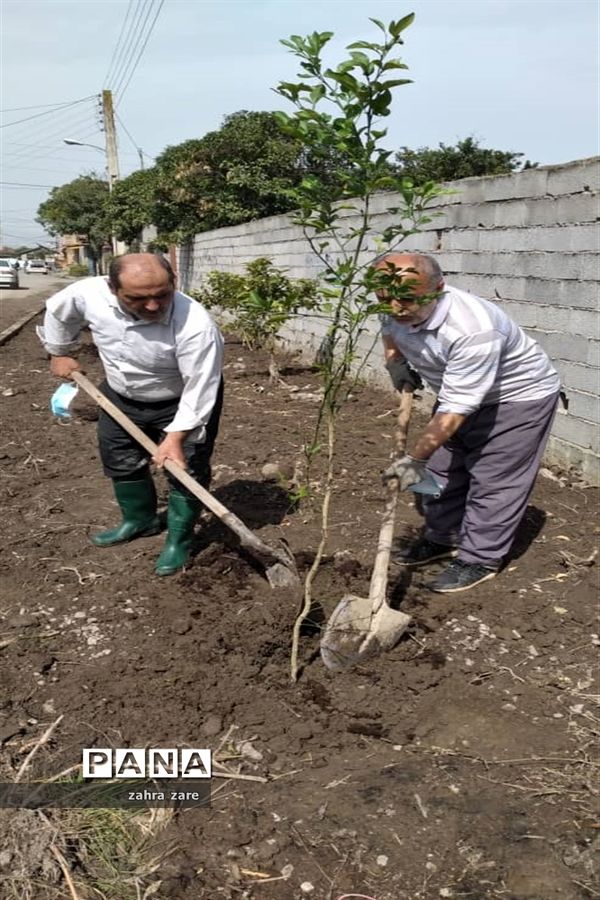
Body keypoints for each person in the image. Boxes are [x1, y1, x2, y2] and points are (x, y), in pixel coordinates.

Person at [376, 251, 561, 593]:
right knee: (440, 472)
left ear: (439, 288)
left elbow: (457, 408)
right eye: (385, 299)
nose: (396, 309)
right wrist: (395, 363)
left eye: (407, 300)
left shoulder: (472, 327)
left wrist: (414, 459)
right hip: (458, 394)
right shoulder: (393, 304)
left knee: (494, 480)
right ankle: (443, 536)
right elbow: (388, 327)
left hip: (516, 399)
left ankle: (479, 558)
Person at [38, 253, 224, 576]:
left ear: (173, 283)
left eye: (162, 294)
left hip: (181, 400)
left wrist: (176, 437)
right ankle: (140, 520)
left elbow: (201, 386)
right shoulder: (87, 294)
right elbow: (58, 310)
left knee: (187, 468)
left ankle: (179, 541)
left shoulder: (196, 324)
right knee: (120, 456)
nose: (153, 305)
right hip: (120, 394)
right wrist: (58, 352)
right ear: (112, 288)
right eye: (138, 298)